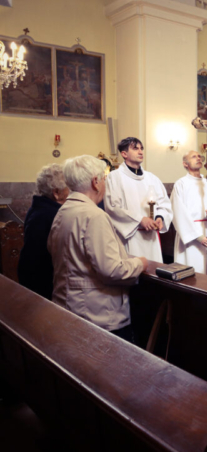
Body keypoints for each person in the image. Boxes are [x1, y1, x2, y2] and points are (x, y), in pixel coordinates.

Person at [48, 155, 148, 343]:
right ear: (95, 182)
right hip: (97, 315)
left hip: (68, 305)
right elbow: (112, 270)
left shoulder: (63, 211)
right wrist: (140, 263)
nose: (105, 183)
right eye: (104, 179)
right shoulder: (94, 216)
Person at [104, 137, 173, 262]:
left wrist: (160, 217)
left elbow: (164, 204)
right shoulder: (115, 177)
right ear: (124, 154)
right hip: (130, 236)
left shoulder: (152, 178)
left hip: (152, 237)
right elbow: (113, 207)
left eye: (141, 148)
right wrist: (140, 219)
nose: (140, 152)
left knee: (154, 269)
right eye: (135, 149)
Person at [18, 164, 70, 300]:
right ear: (56, 192)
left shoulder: (39, 207)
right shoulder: (51, 214)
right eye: (68, 187)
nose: (70, 191)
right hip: (42, 284)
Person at [171, 150, 207, 276]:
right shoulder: (181, 184)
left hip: (206, 228)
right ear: (185, 164)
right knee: (192, 270)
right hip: (190, 235)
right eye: (194, 157)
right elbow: (178, 212)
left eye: (199, 156)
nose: (198, 158)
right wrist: (198, 237)